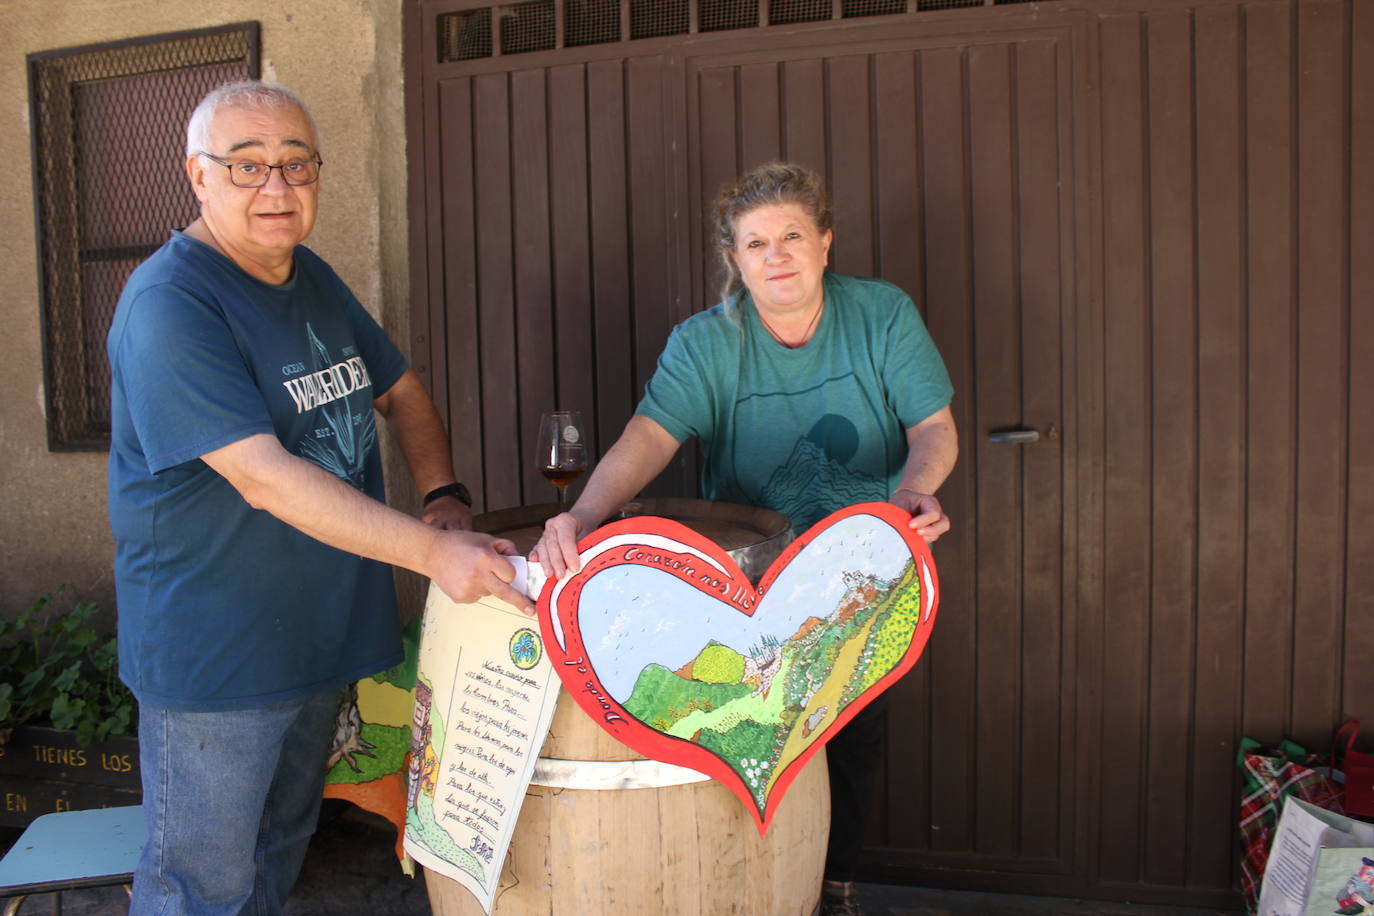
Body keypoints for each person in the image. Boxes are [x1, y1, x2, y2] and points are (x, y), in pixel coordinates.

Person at [105, 80, 531, 915]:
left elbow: (400, 388)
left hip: (315, 640)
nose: (277, 187)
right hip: (218, 660)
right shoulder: (171, 305)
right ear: (198, 176)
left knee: (276, 860)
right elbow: (262, 476)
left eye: (295, 165)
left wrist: (442, 493)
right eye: (248, 165)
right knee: (198, 888)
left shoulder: (309, 277)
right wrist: (433, 551)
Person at [531, 161, 957, 916]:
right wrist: (582, 516)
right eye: (756, 243)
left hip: (864, 564)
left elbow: (933, 430)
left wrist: (914, 492)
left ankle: (834, 887)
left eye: (793, 235)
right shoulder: (706, 343)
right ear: (734, 260)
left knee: (851, 734)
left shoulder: (883, 314)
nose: (777, 255)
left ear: (826, 242)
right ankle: (753, 888)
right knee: (752, 734)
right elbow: (648, 437)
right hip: (750, 579)